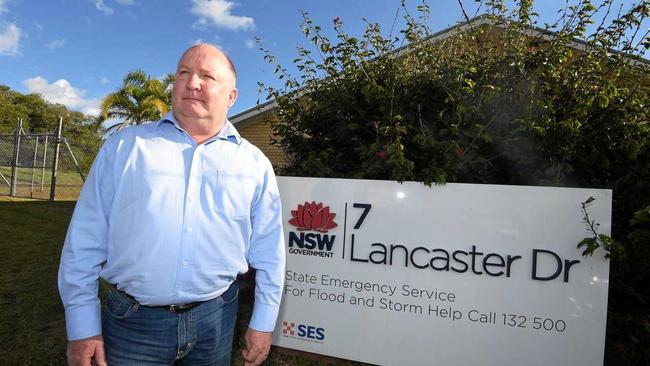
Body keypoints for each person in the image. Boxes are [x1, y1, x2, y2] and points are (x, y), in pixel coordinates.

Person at [58, 44, 285, 366]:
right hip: (132, 326)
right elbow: (84, 241)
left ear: (231, 96)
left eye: (207, 76)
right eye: (184, 73)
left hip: (217, 322)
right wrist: (82, 327)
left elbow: (269, 250)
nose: (192, 83)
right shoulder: (124, 148)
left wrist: (263, 322)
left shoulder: (255, 164)